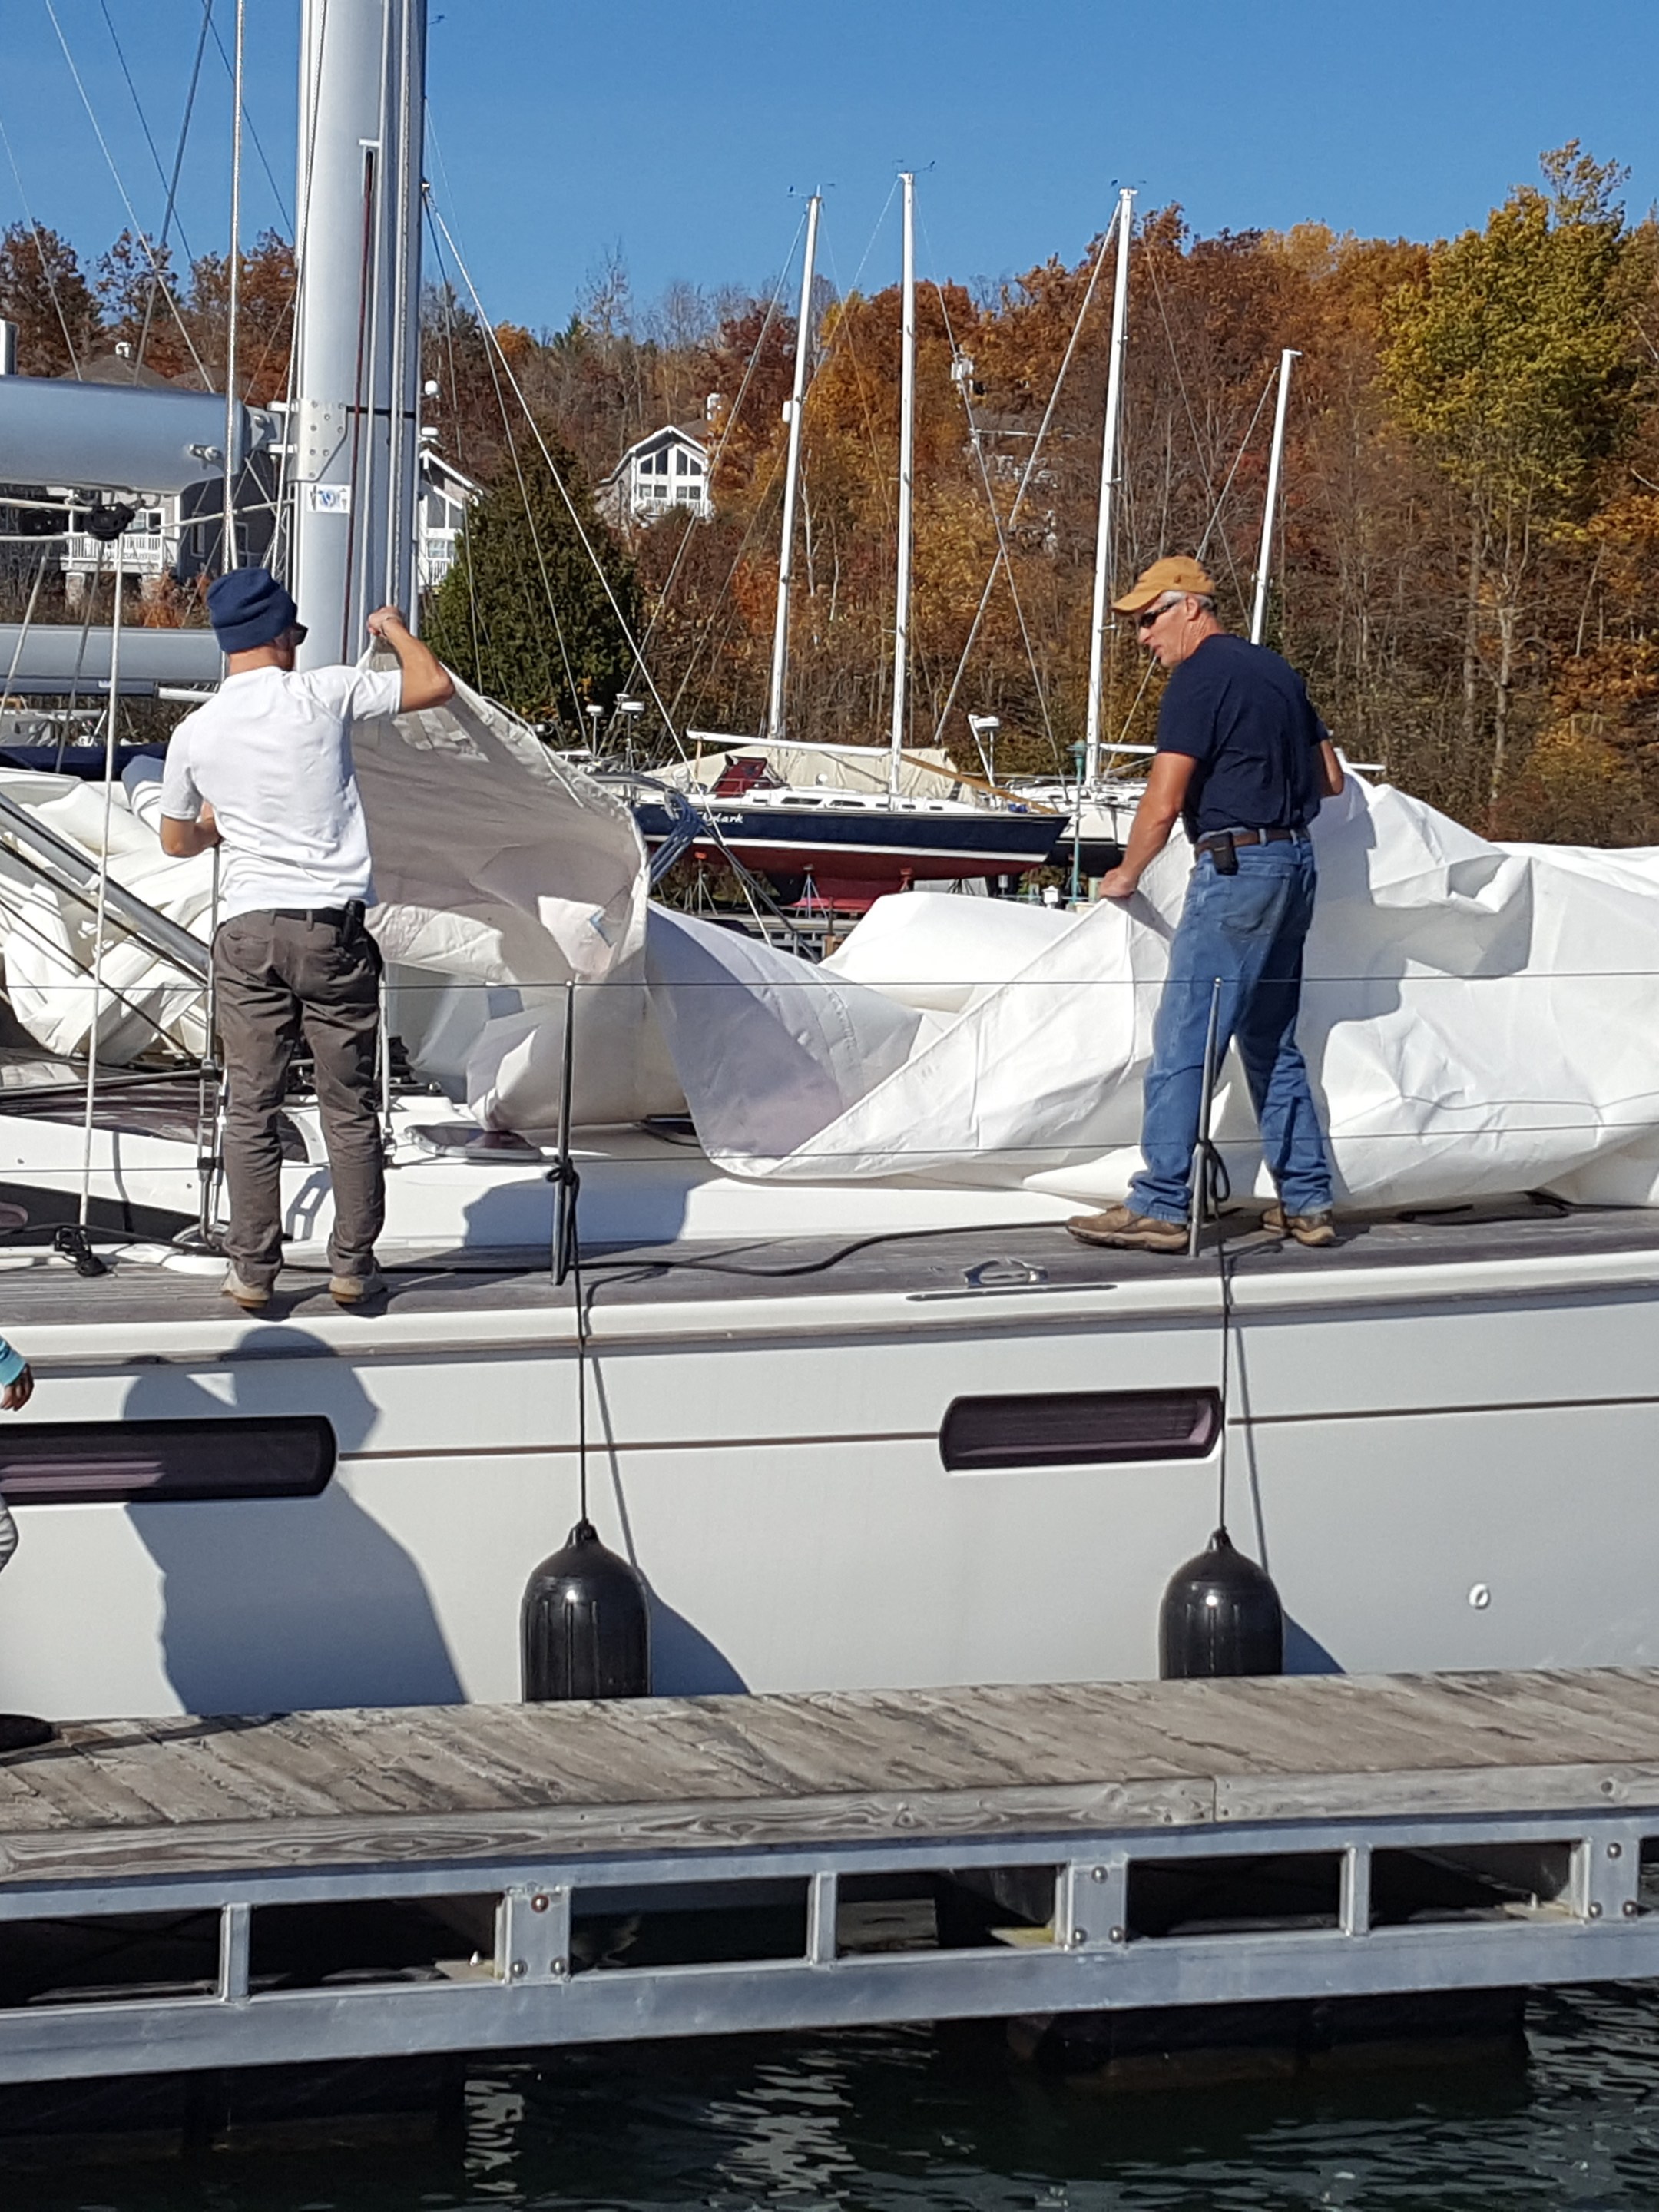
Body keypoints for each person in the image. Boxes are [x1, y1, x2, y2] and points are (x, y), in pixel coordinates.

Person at [154, 567, 453, 1310]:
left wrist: (224, 823)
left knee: (250, 1105)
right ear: (282, 636)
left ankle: (253, 1270)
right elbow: (432, 686)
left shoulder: (195, 733)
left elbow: (175, 843)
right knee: (345, 1104)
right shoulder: (323, 694)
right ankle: (351, 1265)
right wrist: (392, 630)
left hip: (247, 932)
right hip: (330, 929)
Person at [1067, 556, 1345, 1255]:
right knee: (1270, 1041)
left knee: (1187, 1036)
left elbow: (1162, 804)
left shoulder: (1199, 678)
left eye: (1150, 618)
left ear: (1191, 606)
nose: (1142, 637)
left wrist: (1124, 875)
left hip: (1235, 867)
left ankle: (1161, 1203)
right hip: (1295, 865)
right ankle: (1307, 1203)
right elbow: (1333, 780)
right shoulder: (1278, 672)